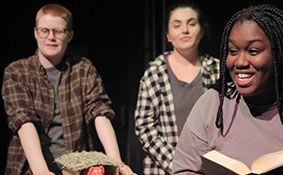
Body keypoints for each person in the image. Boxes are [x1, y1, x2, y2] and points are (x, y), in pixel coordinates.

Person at [173, 4, 283, 175]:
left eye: (253, 51)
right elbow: (185, 169)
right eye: (233, 51)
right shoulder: (212, 104)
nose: (240, 62)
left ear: (281, 54)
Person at [1, 3, 134, 175]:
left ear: (69, 36)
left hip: (76, 168)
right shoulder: (17, 72)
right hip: (29, 168)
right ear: (35, 33)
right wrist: (41, 171)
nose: (51, 37)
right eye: (44, 31)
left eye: (58, 31)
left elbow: (100, 113)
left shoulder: (83, 69)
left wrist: (117, 164)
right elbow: (23, 121)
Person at [134, 1, 220, 175]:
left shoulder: (216, 70)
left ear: (201, 31)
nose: (185, 30)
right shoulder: (155, 72)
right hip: (165, 168)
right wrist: (181, 166)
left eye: (191, 23)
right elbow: (145, 127)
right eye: (177, 25)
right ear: (168, 35)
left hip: (210, 167)